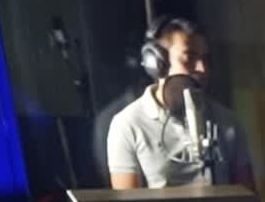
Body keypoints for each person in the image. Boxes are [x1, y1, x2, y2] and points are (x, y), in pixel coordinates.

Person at [106, 16, 254, 190]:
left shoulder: (228, 121)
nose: (202, 69)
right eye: (189, 58)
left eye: (205, 59)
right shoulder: (127, 125)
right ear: (157, 63)